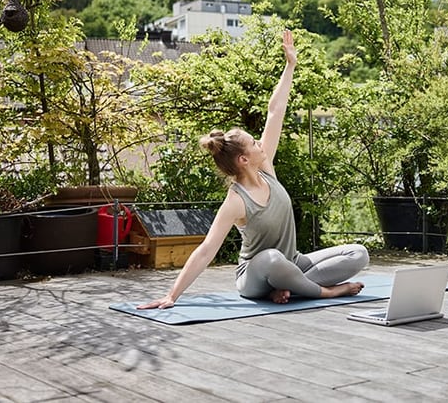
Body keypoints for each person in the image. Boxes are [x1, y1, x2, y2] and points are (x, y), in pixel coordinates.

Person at [138, 30, 369, 309]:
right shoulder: (236, 201)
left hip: (292, 263)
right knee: (272, 258)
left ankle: (289, 288)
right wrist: (172, 295)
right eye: (254, 143)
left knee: (359, 254)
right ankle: (326, 292)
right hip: (255, 275)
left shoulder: (266, 168)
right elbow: (207, 250)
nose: (261, 144)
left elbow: (275, 110)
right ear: (243, 160)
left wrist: (290, 65)